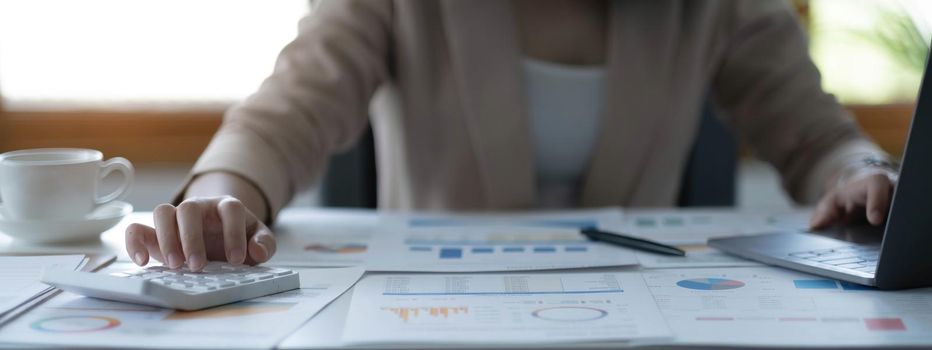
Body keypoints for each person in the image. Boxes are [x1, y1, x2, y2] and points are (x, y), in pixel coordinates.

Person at [124, 0, 899, 271]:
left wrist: (863, 171)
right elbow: (287, 111)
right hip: (433, 323)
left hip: (643, 320)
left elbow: (816, 137)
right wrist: (225, 197)